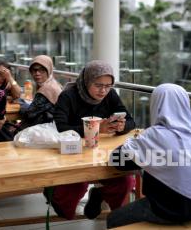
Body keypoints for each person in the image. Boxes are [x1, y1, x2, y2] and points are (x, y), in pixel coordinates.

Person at [106, 83, 191, 228]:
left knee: (113, 219)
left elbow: (117, 160)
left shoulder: (156, 135)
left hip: (170, 211)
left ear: (156, 104)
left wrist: (134, 142)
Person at [50, 60, 135, 220]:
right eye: (98, 85)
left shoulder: (110, 95)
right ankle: (58, 201)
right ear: (87, 80)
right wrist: (95, 129)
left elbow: (131, 121)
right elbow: (60, 128)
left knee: (125, 181)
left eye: (108, 85)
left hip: (101, 154)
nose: (103, 90)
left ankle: (116, 214)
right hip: (74, 155)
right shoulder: (69, 95)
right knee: (76, 185)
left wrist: (121, 126)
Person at [19, 55, 63, 129]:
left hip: (48, 131)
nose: (37, 73)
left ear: (49, 70)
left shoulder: (46, 89)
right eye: (34, 70)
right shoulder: (54, 83)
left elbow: (30, 113)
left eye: (42, 70)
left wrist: (22, 104)